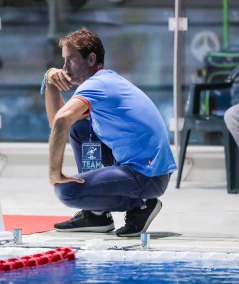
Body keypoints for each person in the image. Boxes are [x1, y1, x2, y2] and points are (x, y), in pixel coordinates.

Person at [40, 27, 177, 237]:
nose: (64, 67)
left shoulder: (97, 85)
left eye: (71, 60)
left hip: (147, 175)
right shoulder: (105, 82)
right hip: (143, 168)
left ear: (91, 59)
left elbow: (60, 120)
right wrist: (50, 82)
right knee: (81, 128)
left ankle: (141, 205)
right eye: (63, 61)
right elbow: (57, 121)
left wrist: (54, 173)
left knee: (66, 191)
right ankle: (96, 214)